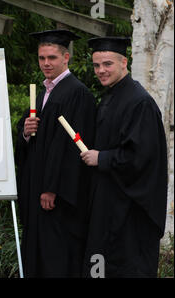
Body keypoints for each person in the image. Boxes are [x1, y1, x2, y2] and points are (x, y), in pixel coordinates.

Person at [81, 37, 167, 278]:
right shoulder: (112, 96)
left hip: (130, 212)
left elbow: (142, 157)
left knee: (127, 268)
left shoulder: (139, 102)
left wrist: (103, 158)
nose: (101, 71)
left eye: (107, 64)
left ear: (123, 63)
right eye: (97, 65)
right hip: (109, 203)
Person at [15, 29, 97, 277]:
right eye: (42, 58)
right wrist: (26, 132)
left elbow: (72, 146)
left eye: (52, 57)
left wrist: (52, 188)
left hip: (58, 197)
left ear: (66, 58)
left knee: (57, 255)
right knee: (40, 253)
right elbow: (33, 139)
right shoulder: (44, 94)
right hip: (38, 189)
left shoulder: (77, 93)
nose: (46, 63)